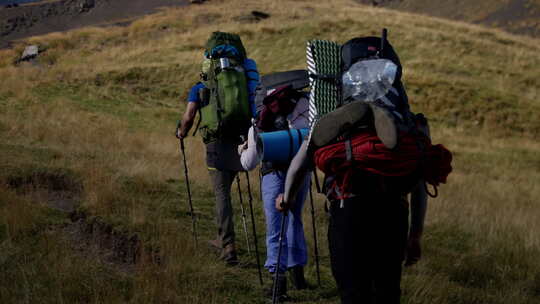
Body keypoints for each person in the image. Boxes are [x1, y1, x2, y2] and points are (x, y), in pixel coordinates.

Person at [281, 35, 452, 303]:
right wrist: (415, 234)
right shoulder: (407, 119)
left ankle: (364, 112)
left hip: (349, 204)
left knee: (353, 292)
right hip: (394, 208)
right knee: (386, 291)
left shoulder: (332, 114)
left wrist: (287, 197)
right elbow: (419, 178)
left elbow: (300, 164)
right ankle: (373, 115)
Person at [177, 32, 259, 265]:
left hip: (216, 143)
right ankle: (224, 238)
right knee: (230, 190)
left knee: (221, 194)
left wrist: (181, 131)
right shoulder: (243, 79)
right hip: (241, 140)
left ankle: (227, 245)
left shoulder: (201, 85)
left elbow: (189, 117)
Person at [238, 81, 311, 301]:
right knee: (295, 219)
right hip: (301, 174)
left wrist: (241, 150)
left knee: (275, 227)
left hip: (274, 175)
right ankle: (298, 273)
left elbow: (249, 163)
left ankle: (278, 284)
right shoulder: (303, 110)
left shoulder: (260, 120)